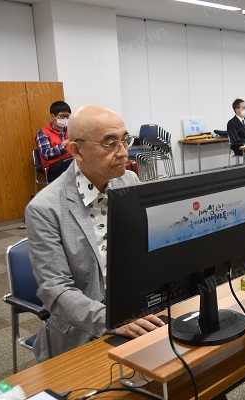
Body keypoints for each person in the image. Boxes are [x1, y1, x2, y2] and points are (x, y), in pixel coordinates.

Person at [25, 105, 165, 362]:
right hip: (82, 331)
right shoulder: (45, 208)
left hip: (136, 312)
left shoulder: (128, 181)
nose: (123, 152)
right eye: (109, 144)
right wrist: (110, 319)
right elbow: (55, 289)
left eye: (125, 140)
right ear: (76, 151)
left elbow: (144, 249)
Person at [35, 101, 75, 182]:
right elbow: (46, 154)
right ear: (53, 116)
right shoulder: (43, 132)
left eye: (67, 116)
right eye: (62, 116)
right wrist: (64, 144)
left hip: (70, 162)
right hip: (53, 168)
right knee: (74, 163)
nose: (65, 119)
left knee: (86, 159)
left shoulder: (71, 130)